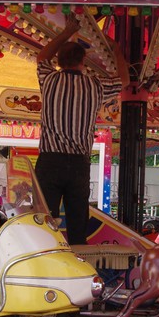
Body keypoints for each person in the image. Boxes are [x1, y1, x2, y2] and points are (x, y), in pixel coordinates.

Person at [36, 13, 129, 245]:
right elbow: (124, 80)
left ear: (59, 61)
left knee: (45, 221)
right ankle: (78, 258)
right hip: (78, 163)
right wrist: (116, 50)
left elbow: (42, 57)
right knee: (78, 223)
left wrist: (66, 32)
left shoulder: (49, 80)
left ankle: (46, 256)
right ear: (83, 61)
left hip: (50, 160)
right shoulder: (94, 86)